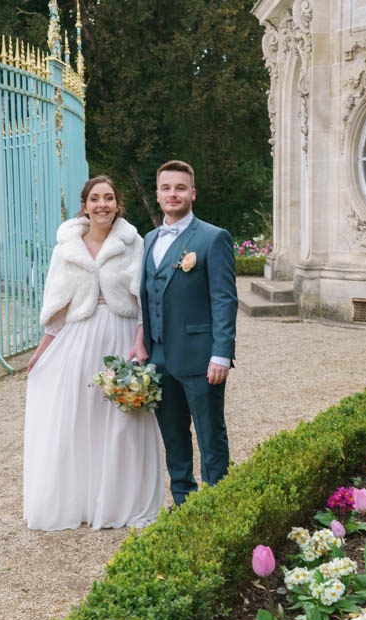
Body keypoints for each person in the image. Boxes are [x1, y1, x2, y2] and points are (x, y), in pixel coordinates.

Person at [23, 176, 165, 530]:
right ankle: (82, 500)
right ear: (85, 206)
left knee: (122, 421)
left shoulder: (134, 244)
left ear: (118, 204)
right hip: (80, 339)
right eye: (96, 199)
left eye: (109, 198)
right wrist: (42, 351)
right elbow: (56, 306)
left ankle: (119, 501)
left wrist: (141, 340)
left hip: (121, 337)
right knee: (78, 418)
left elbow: (144, 298)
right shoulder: (65, 249)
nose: (103, 204)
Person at [132, 160, 237, 506]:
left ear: (193, 193)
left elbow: (224, 300)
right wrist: (143, 344)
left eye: (180, 188)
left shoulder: (213, 237)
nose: (172, 194)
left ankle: (218, 504)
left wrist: (221, 354)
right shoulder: (149, 239)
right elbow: (148, 295)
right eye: (166, 188)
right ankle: (184, 505)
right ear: (157, 194)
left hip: (201, 357)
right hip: (159, 356)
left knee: (210, 436)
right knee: (174, 438)